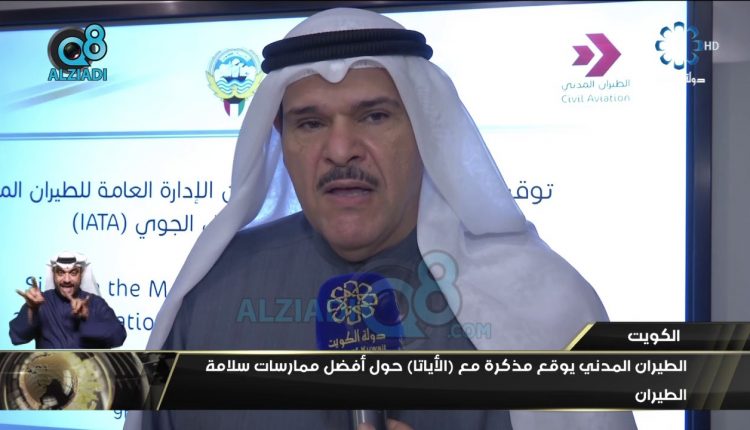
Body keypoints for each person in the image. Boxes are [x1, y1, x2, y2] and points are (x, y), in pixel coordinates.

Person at [131, 7, 637, 430]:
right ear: (282, 141)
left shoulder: (545, 304)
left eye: (374, 116)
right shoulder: (210, 295)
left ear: (423, 130)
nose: (340, 150)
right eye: (311, 123)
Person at [9, 251, 127, 349]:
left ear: (81, 274)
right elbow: (17, 337)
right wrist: (32, 310)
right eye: (60, 273)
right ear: (53, 274)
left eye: (73, 273)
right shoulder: (39, 302)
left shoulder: (96, 303)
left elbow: (119, 337)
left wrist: (87, 318)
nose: (66, 280)